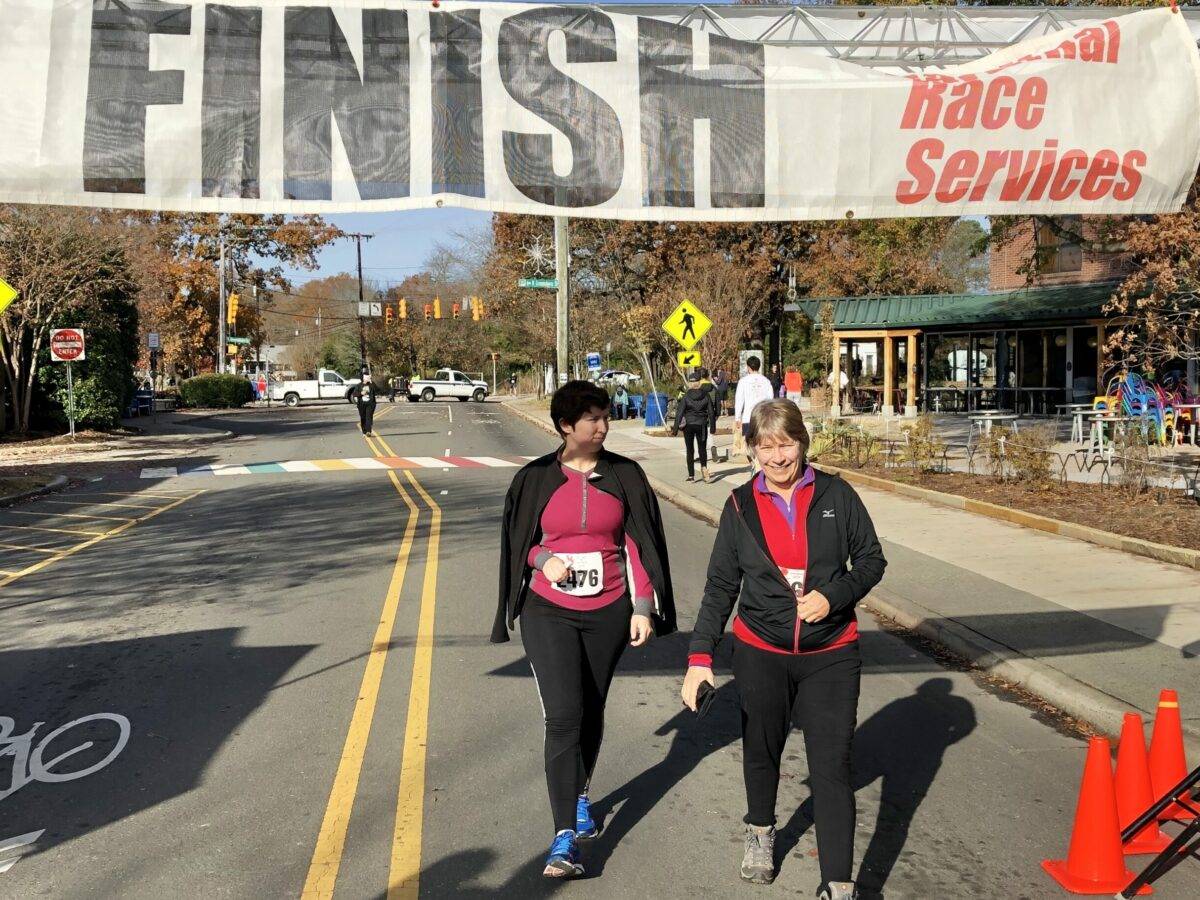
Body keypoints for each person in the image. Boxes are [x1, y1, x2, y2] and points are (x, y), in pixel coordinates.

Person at [681, 400, 886, 897]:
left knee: (832, 767)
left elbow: (871, 561)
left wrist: (833, 595)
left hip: (831, 653)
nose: (777, 458)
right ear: (752, 450)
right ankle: (759, 831)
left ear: (803, 444)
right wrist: (699, 659)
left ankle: (838, 883)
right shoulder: (739, 506)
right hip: (761, 650)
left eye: (786, 445)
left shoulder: (836, 494)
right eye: (766, 447)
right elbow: (720, 588)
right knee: (762, 748)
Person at [494, 380, 677, 879]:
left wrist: (643, 606)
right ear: (564, 427)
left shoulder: (625, 476)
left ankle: (578, 794)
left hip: (609, 611)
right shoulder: (534, 479)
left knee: (591, 708)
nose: (603, 425)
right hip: (547, 610)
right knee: (565, 712)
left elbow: (638, 543)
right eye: (592, 418)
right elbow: (519, 543)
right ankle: (563, 837)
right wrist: (543, 559)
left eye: (604, 416)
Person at [673, 371, 714, 483]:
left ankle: (691, 476)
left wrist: (675, 428)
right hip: (701, 425)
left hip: (689, 426)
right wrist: (713, 427)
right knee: (702, 449)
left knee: (690, 450)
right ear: (699, 382)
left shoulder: (686, 396)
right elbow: (711, 412)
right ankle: (704, 470)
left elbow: (680, 413)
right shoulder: (706, 395)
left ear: (690, 384)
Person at [734, 356, 775, 456]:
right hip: (763, 417)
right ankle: (759, 464)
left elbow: (739, 400)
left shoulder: (743, 381)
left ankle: (754, 465)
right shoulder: (766, 381)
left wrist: (737, 417)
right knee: (762, 443)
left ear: (748, 367)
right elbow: (771, 399)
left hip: (748, 417)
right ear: (759, 366)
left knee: (749, 444)